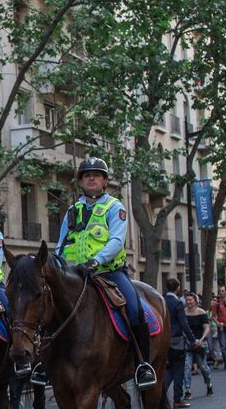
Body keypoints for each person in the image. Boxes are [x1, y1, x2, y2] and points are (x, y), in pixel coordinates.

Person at [54, 157, 155, 389]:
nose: (91, 178)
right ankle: (43, 363)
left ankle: (143, 365)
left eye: (96, 175)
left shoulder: (114, 207)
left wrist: (96, 261)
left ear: (105, 181)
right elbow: (60, 245)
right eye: (87, 175)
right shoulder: (72, 211)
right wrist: (57, 266)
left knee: (134, 309)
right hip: (75, 276)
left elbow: (117, 241)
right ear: (80, 181)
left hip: (109, 273)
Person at [163, 279, 193, 409]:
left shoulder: (161, 301)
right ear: (178, 288)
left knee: (169, 369)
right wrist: (192, 339)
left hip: (164, 340)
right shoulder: (178, 304)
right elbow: (183, 324)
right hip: (177, 340)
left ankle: (161, 393)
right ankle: (177, 399)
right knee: (179, 369)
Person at [184, 294, 213, 397]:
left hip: (200, 343)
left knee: (203, 366)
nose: (188, 302)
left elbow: (207, 327)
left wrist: (202, 339)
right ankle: (187, 389)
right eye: (187, 300)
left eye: (190, 300)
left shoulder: (201, 312)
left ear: (195, 301)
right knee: (187, 367)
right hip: (188, 344)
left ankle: (209, 384)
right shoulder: (184, 313)